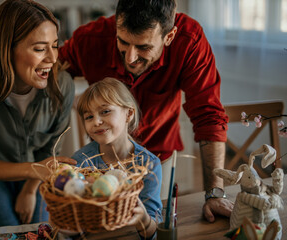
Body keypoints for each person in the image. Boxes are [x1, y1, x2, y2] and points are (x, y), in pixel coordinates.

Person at [58, 0, 233, 222]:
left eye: (143, 47)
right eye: (123, 42)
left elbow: (209, 116)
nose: (130, 57)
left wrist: (214, 192)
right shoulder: (89, 39)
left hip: (158, 160)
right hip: (99, 164)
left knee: (153, 222)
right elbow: (51, 71)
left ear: (169, 37)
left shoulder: (190, 40)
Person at [0, 0, 76, 227]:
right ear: (6, 49)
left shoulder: (63, 85)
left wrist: (30, 189)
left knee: (39, 231)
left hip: (37, 174)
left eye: (55, 45)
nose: (52, 58)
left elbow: (50, 150)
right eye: (39, 48)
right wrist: (34, 170)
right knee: (7, 232)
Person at [71, 77, 162, 239]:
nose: (97, 121)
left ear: (129, 113)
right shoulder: (81, 161)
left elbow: (153, 233)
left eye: (105, 111)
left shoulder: (148, 164)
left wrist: (143, 219)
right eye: (89, 117)